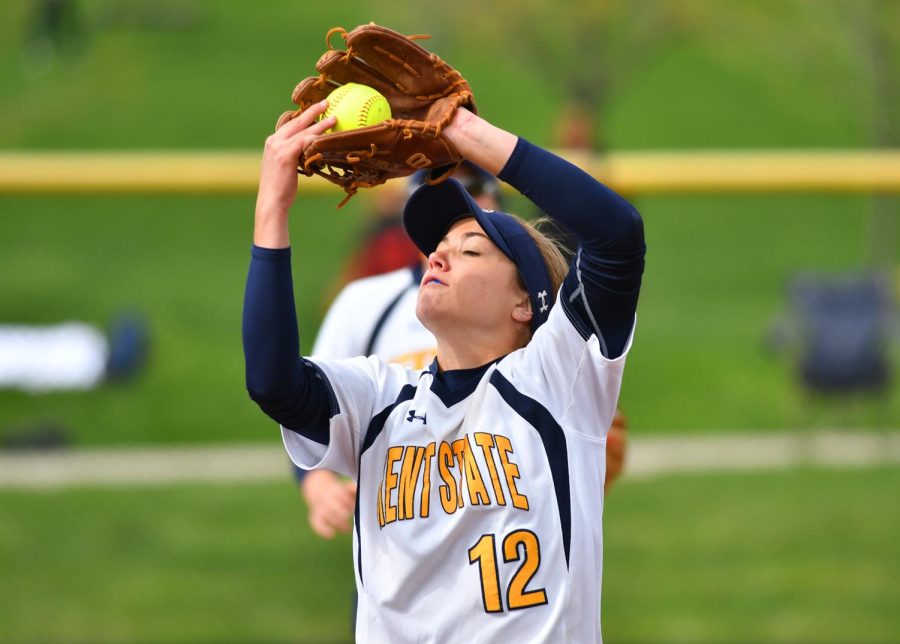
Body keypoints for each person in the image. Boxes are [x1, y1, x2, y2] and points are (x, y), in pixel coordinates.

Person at [244, 100, 644, 641]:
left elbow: (617, 235)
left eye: (470, 249)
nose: (436, 256)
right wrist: (272, 206)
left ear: (525, 304)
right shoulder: (380, 399)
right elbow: (273, 382)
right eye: (438, 247)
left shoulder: (557, 380)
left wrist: (463, 130)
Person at [300, 163, 628, 540]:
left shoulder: (533, 317)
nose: (466, 199)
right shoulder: (365, 302)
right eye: (439, 188)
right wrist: (320, 488)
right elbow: (306, 408)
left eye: (475, 185)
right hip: (400, 540)